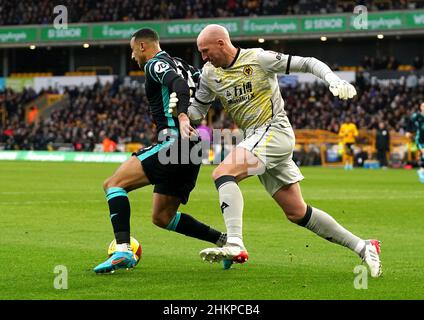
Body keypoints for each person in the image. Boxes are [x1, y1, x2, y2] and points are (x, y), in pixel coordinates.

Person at [170, 24, 382, 277]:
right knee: (297, 212)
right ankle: (363, 246)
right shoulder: (209, 74)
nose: (203, 57)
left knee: (222, 173)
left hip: (275, 131)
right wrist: (179, 110)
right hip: (255, 138)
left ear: (221, 43)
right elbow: (198, 112)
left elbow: (308, 63)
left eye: (205, 51)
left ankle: (235, 242)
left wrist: (332, 79)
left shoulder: (259, 59)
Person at [93, 28, 227, 273]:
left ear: (143, 46)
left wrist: (184, 115)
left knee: (113, 185)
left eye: (133, 50)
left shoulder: (155, 64)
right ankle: (224, 243)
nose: (133, 56)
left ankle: (122, 250)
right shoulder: (184, 65)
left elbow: (175, 84)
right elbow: (206, 85)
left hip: (175, 142)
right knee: (162, 217)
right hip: (194, 146)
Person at [406, 102, 424, 183]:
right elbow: (409, 122)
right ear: (421, 107)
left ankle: (421, 170)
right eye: (423, 106)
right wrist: (408, 131)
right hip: (420, 139)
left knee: (422, 155)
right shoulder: (417, 116)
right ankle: (421, 171)